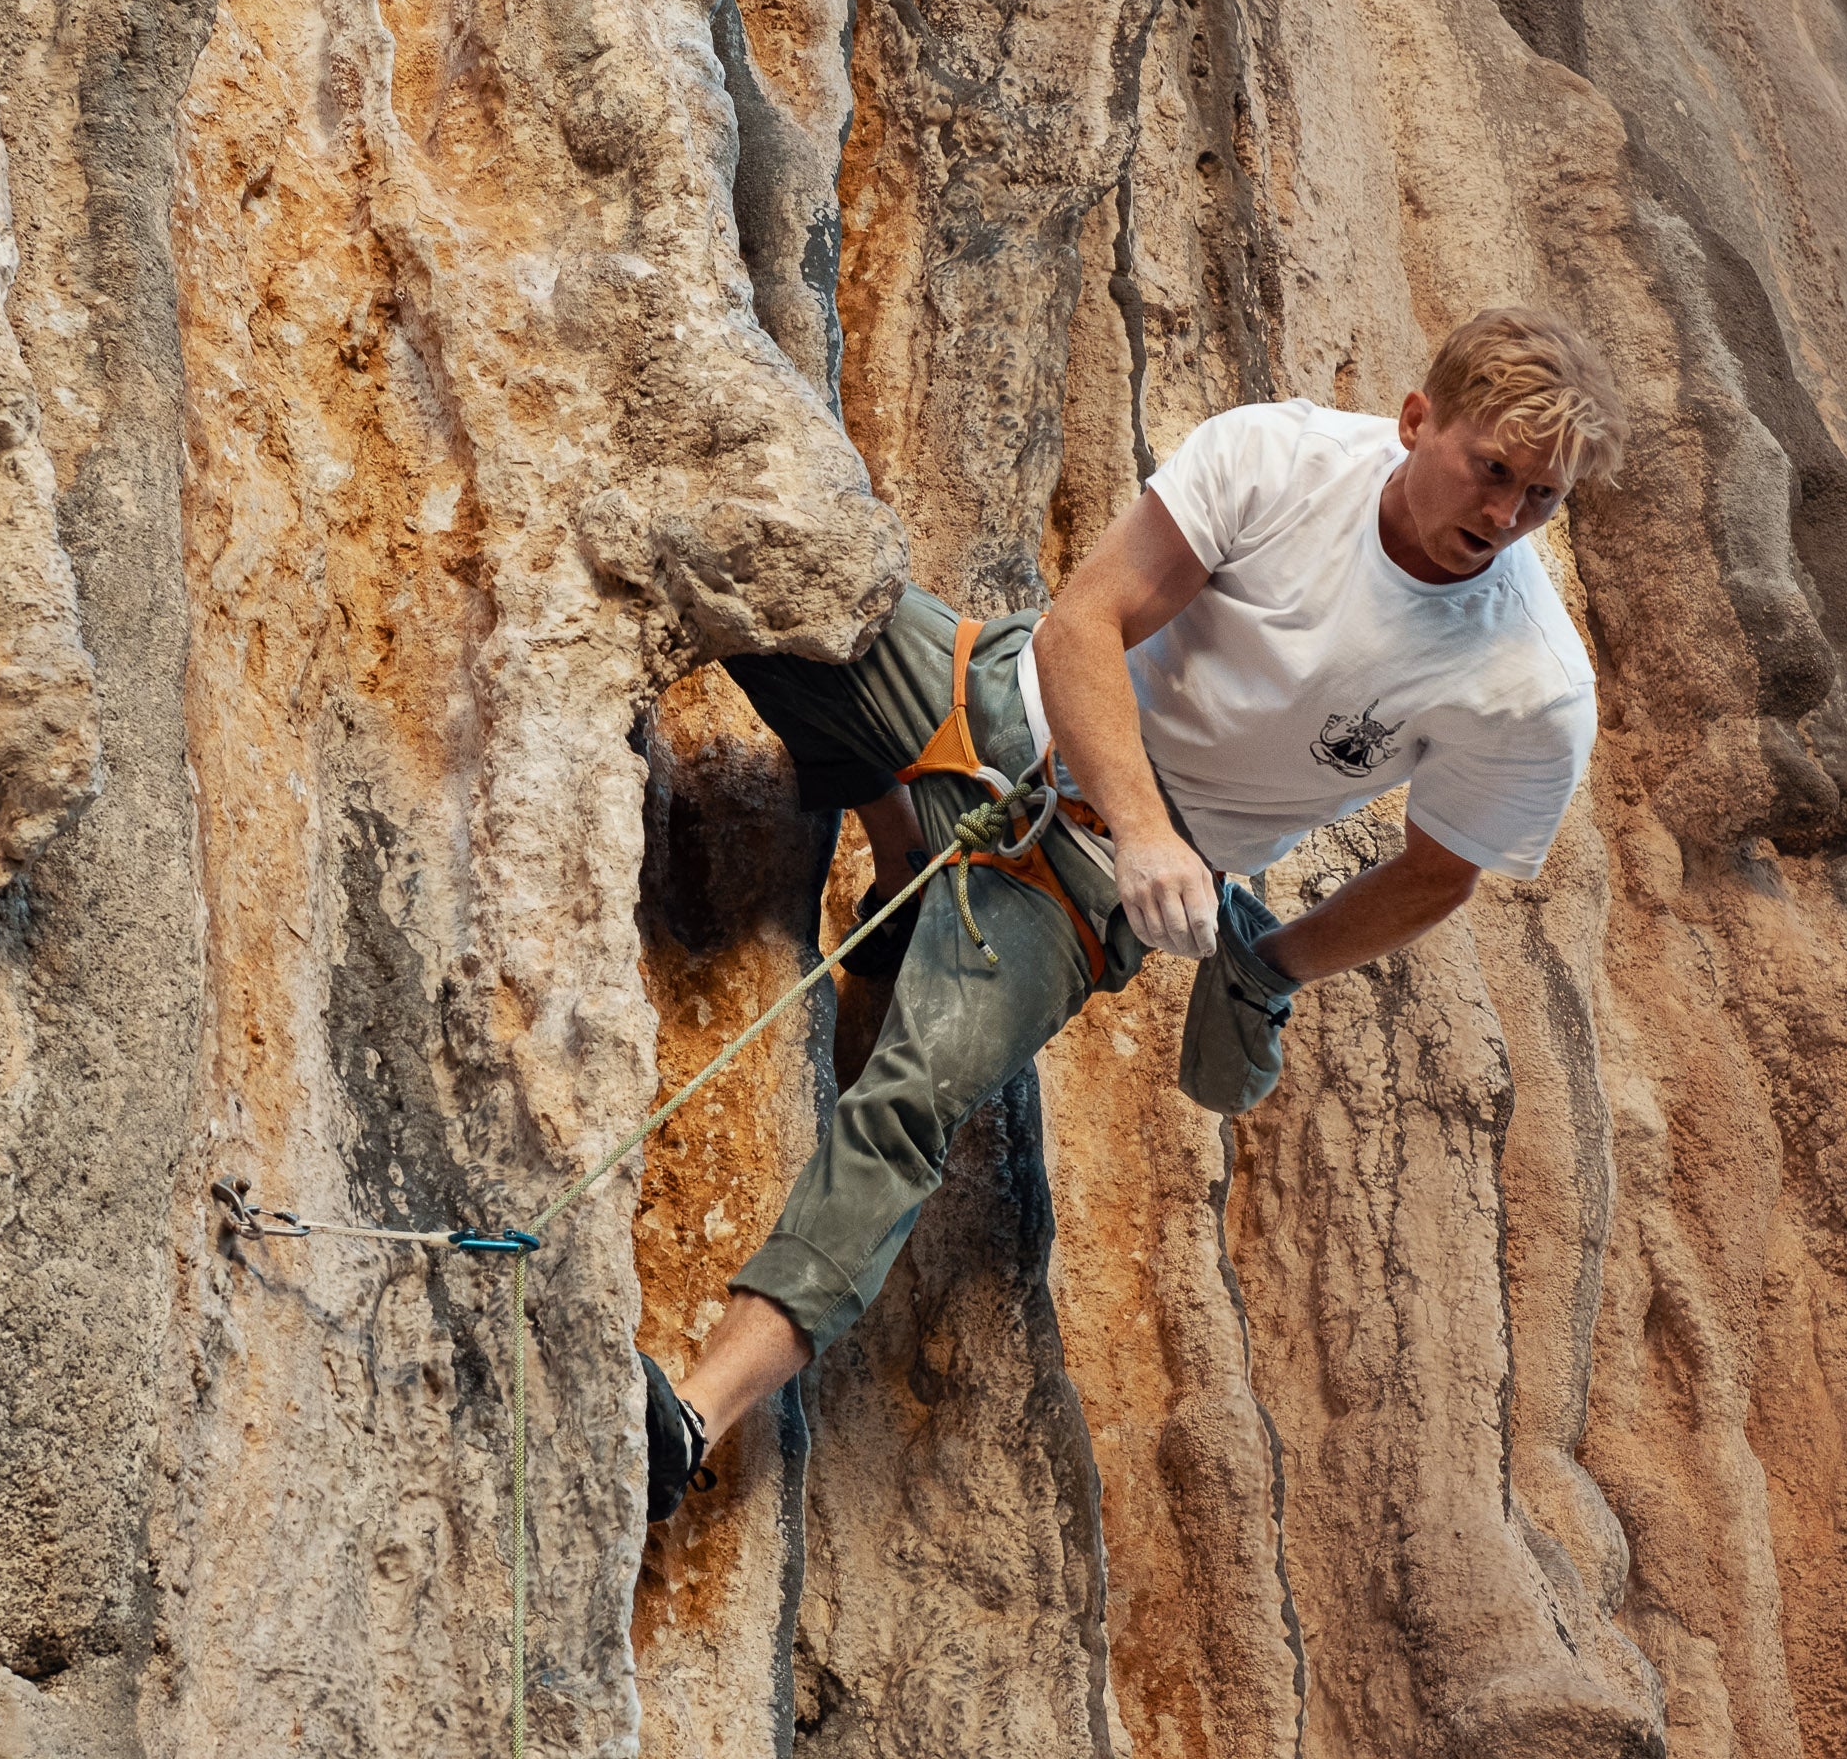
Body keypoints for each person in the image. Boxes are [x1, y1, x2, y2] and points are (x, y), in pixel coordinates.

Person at [640, 308, 1625, 1520]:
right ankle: (900, 856)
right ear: (1419, 420)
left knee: (912, 1099)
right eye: (1493, 470)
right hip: (1002, 699)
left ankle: (691, 1414)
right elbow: (1081, 622)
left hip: (1088, 885)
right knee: (770, 575)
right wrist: (1145, 816)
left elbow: (1440, 870)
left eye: (1543, 498)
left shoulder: (1527, 683)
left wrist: (1268, 964)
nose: (1507, 515)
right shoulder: (1283, 458)